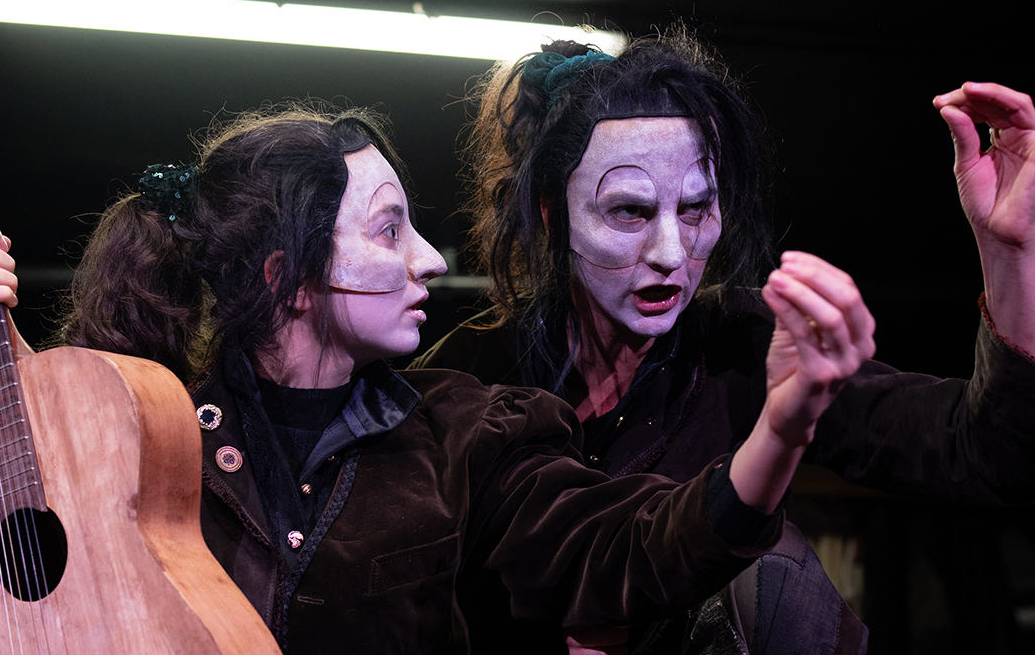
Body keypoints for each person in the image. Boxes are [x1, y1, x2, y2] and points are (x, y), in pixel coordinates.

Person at [0, 104, 874, 653]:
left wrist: (780, 429)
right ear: (286, 277)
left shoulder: (467, 436)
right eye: (387, 230)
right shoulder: (138, 442)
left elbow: (630, 554)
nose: (428, 258)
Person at [411, 32, 1035, 655]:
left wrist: (1011, 250)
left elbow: (987, 454)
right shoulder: (469, 381)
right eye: (628, 212)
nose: (670, 253)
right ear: (553, 215)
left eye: (695, 208)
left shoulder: (747, 345)